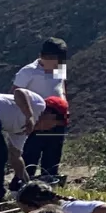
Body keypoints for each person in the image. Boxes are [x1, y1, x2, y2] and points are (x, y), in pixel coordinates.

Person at [0, 88, 67, 209]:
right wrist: (29, 116)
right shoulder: (39, 104)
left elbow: (16, 157)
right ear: (51, 115)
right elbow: (19, 92)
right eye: (54, 124)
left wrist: (27, 182)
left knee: (1, 155)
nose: (51, 128)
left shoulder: (23, 130)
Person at [15, 38, 71, 183]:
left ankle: (48, 186)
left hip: (57, 119)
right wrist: (28, 118)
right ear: (43, 56)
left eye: (60, 61)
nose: (57, 65)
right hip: (37, 121)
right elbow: (15, 95)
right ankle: (22, 187)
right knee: (30, 156)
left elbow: (61, 87)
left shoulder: (59, 68)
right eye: (53, 61)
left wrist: (65, 107)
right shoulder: (28, 72)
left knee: (53, 157)